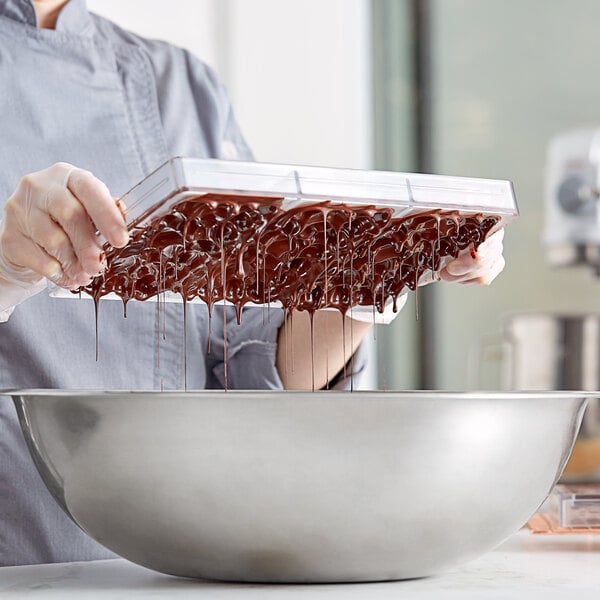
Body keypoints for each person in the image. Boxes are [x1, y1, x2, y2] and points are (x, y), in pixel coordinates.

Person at [0, 0, 505, 567]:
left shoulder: (179, 83)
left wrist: (381, 266)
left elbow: (254, 370)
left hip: (185, 565)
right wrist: (4, 270)